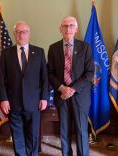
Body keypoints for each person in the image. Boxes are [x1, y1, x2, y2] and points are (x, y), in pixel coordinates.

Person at [0, 21, 48, 156]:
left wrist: (44, 97)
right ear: (14, 34)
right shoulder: (6, 53)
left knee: (33, 134)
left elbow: (45, 78)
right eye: (18, 32)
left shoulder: (39, 52)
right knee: (17, 135)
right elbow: (1, 79)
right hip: (13, 102)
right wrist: (3, 99)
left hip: (34, 102)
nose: (21, 34)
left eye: (24, 31)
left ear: (29, 33)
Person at [47, 16, 95, 156]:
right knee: (64, 131)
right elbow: (50, 73)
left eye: (71, 25)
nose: (68, 29)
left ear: (76, 29)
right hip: (61, 96)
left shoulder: (85, 47)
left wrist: (72, 89)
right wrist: (62, 88)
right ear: (60, 29)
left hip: (80, 96)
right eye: (65, 26)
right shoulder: (53, 48)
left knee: (81, 130)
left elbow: (90, 72)